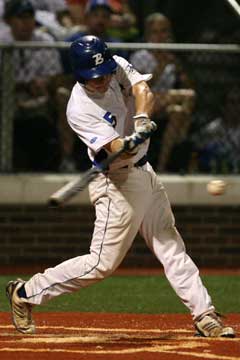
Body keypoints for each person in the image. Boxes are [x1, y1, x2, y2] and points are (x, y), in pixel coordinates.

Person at [6, 35, 235, 338]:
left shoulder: (115, 65)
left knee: (169, 244)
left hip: (145, 172)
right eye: (94, 78)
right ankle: (26, 292)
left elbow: (143, 90)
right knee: (101, 264)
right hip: (117, 181)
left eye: (104, 74)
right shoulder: (79, 108)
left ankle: (204, 313)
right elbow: (117, 148)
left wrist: (141, 119)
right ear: (80, 75)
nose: (101, 80)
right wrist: (126, 144)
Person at [0, 0, 64, 171]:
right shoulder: (1, 40)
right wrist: (23, 87)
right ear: (8, 20)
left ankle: (66, 159)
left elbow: (56, 76)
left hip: (39, 97)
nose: (26, 23)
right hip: (7, 96)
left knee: (63, 95)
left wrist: (45, 83)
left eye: (29, 17)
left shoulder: (45, 40)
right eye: (20, 17)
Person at [130, 12, 195, 173]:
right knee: (189, 96)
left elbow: (187, 84)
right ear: (148, 35)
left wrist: (178, 67)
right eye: (156, 32)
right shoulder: (140, 56)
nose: (160, 36)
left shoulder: (171, 57)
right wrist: (161, 65)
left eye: (164, 31)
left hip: (164, 104)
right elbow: (142, 88)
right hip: (141, 103)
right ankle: (181, 137)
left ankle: (162, 165)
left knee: (178, 112)